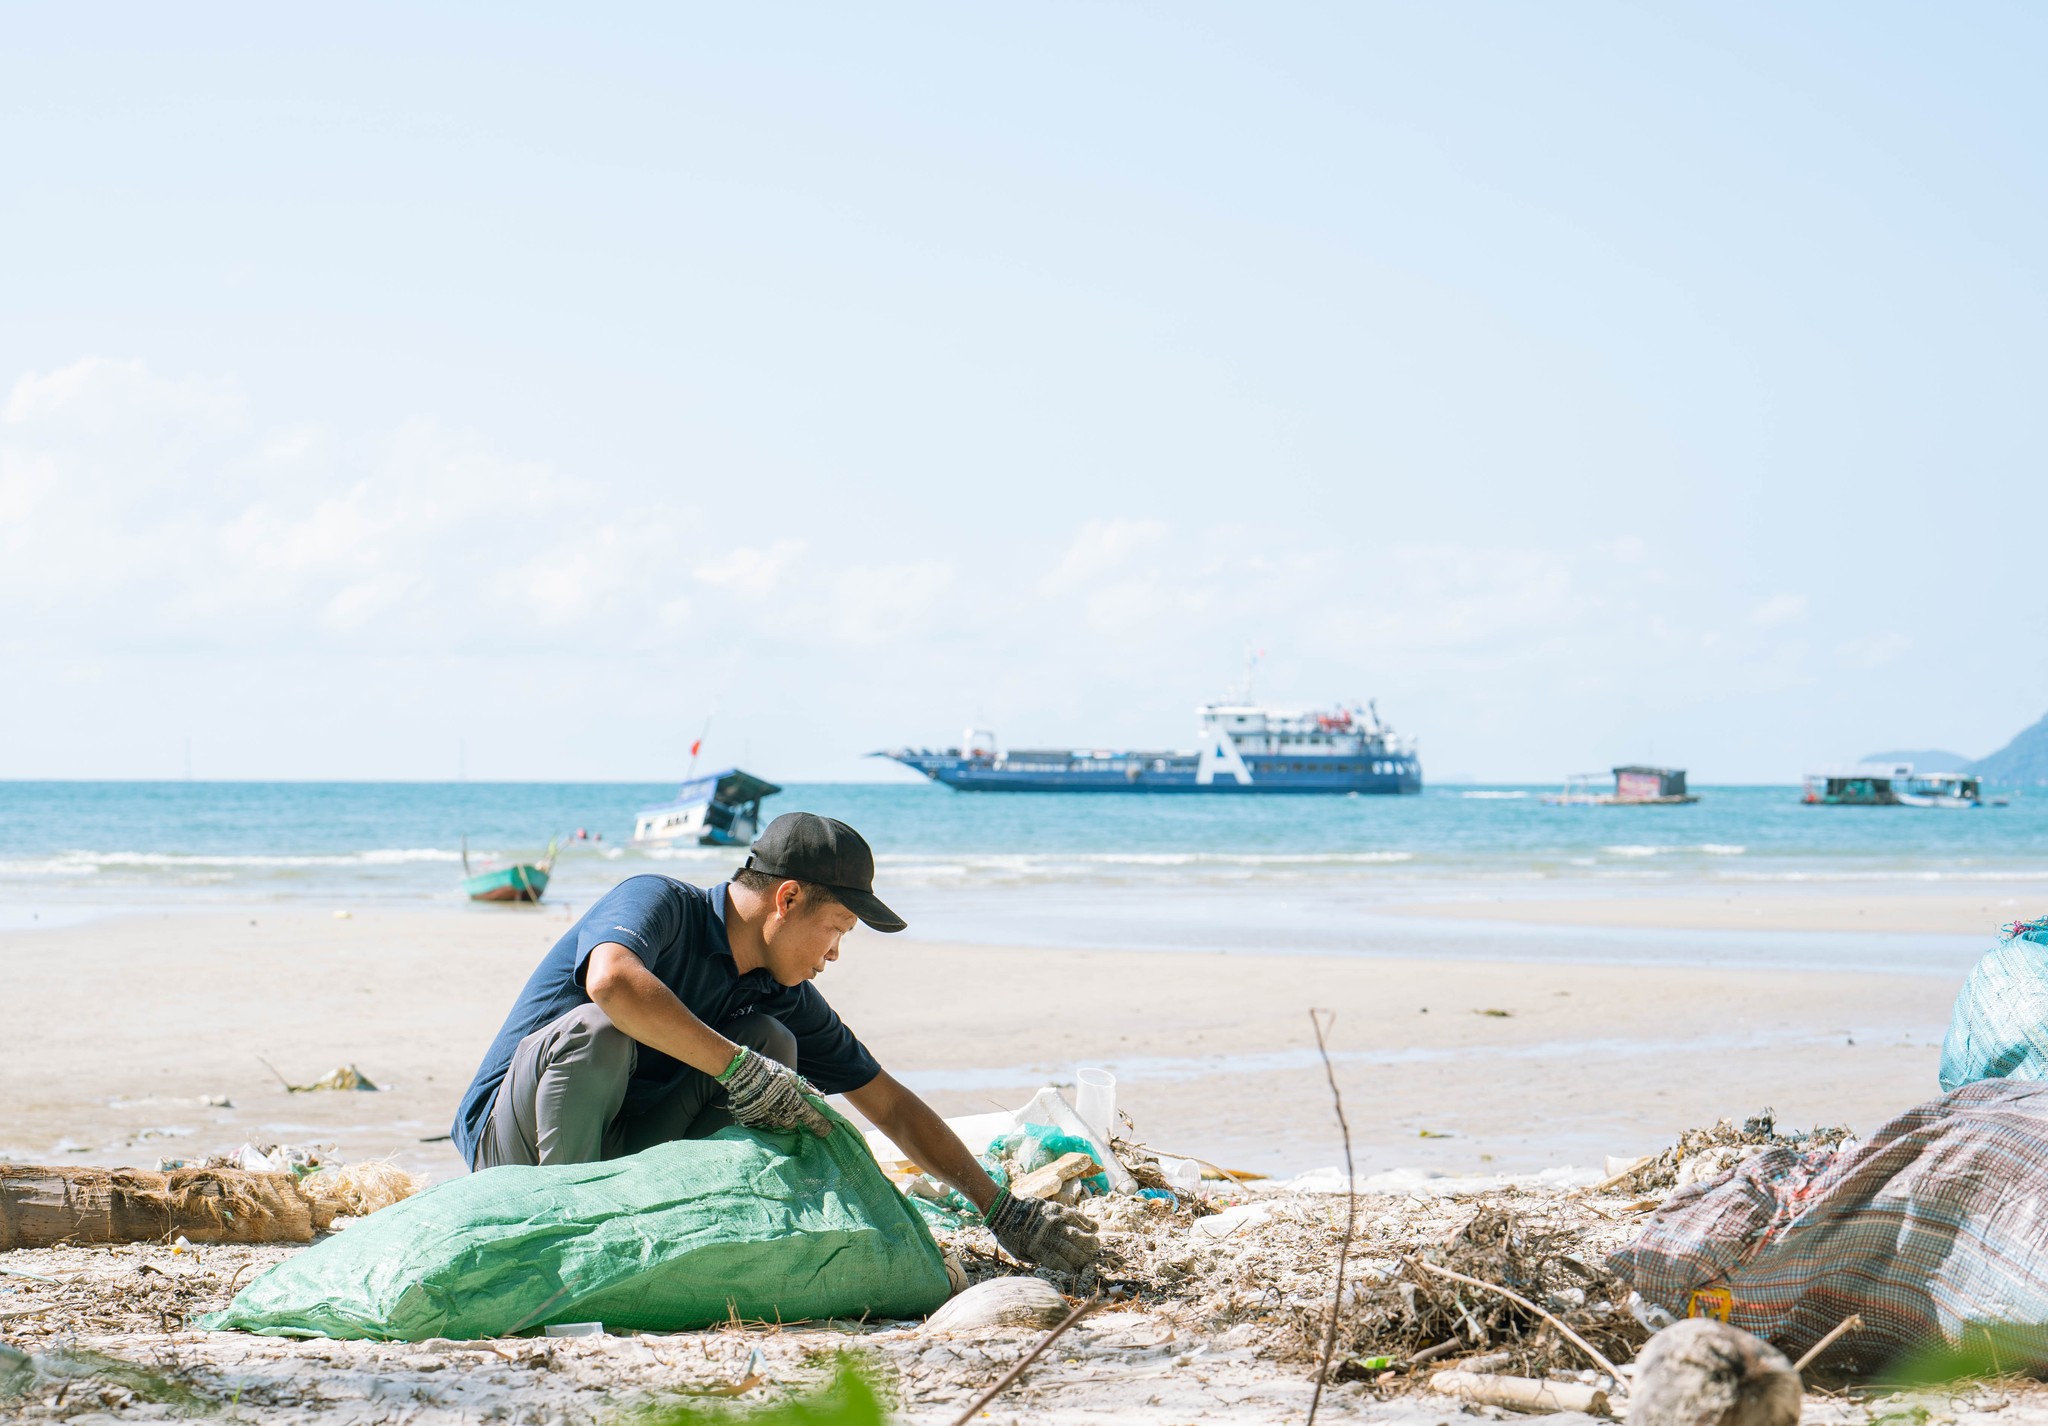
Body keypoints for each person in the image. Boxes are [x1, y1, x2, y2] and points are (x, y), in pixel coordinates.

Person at [450, 811, 1097, 1273]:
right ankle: (570, 1243)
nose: (836, 953)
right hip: (516, 1146)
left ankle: (670, 1227)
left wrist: (1001, 1210)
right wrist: (735, 1068)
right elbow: (613, 981)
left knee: (771, 1044)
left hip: (619, 1149)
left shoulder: (775, 990)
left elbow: (889, 1105)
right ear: (786, 899)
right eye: (836, 927)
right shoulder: (661, 905)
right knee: (605, 1031)